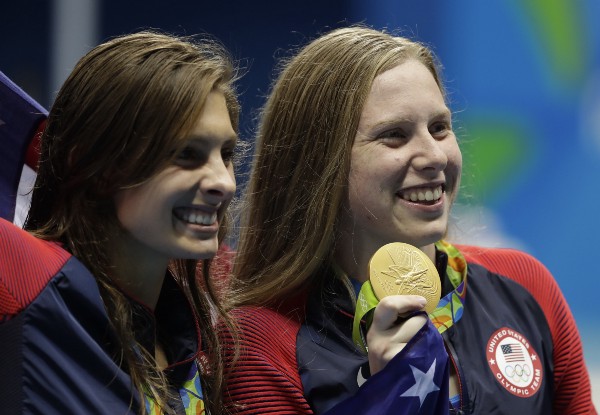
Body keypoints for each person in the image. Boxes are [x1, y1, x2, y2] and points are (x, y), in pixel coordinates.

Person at [220, 26, 596, 414]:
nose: (434, 156)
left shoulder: (523, 283)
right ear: (319, 162)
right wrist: (384, 399)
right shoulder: (261, 343)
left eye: (439, 128)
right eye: (395, 135)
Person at [0, 31, 240, 414]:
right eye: (187, 154)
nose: (223, 183)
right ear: (94, 168)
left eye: (225, 154)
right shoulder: (24, 276)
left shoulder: (203, 341)